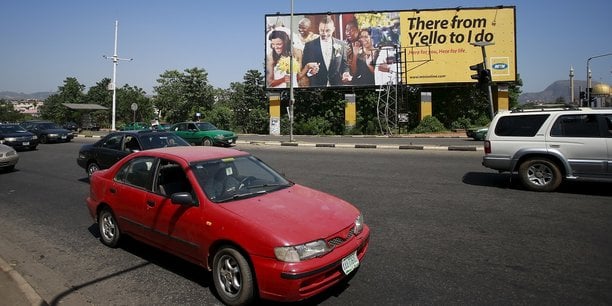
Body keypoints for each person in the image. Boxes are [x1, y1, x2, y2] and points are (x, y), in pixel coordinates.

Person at [299, 16, 352, 87]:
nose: (324, 34)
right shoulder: (309, 46)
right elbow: (304, 67)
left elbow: (345, 65)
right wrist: (310, 72)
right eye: (322, 30)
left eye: (328, 30)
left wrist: (346, 73)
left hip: (336, 87)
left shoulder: (341, 45)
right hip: (317, 89)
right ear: (318, 28)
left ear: (333, 29)